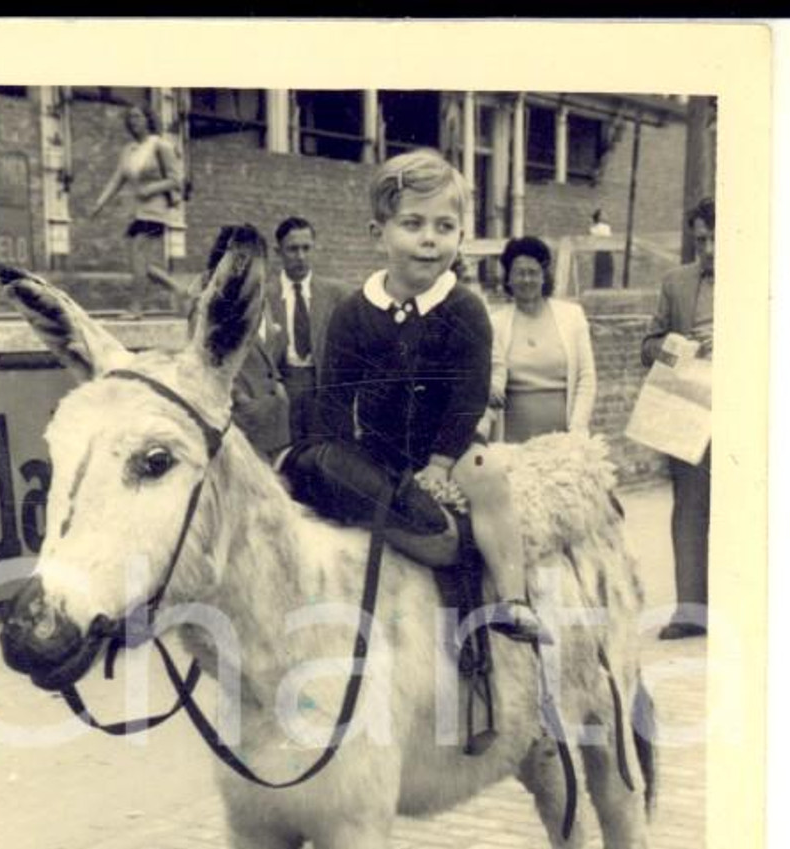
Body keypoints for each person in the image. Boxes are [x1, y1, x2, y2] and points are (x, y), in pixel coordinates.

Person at [282, 148, 547, 645]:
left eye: (445, 227)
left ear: (460, 237)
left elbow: (469, 393)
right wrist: (337, 455)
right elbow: (336, 396)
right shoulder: (354, 313)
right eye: (413, 224)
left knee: (489, 479)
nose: (429, 239)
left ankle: (513, 597)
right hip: (377, 448)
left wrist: (442, 463)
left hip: (448, 443)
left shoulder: (463, 309)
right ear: (378, 233)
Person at [641, 197, 714, 640]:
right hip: (688, 411)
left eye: (715, 240)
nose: (707, 249)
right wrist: (673, 346)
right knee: (689, 509)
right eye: (700, 240)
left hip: (747, 411)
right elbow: (647, 345)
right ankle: (691, 612)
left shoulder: (764, 276)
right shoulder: (676, 282)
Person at [155, 226, 291, 463]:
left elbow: (268, 347)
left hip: (274, 421)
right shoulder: (209, 307)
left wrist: (277, 387)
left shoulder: (257, 298)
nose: (252, 267)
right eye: (243, 259)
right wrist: (244, 402)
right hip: (243, 422)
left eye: (257, 258)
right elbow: (204, 362)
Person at [486, 235, 597, 445]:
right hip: (512, 445)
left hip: (565, 445)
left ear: (544, 276)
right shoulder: (496, 323)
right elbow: (493, 375)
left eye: (533, 273)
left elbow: (586, 377)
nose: (526, 280)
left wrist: (577, 432)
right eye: (519, 273)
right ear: (508, 279)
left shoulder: (572, 316)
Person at [88, 103, 184, 316]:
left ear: (149, 120)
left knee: (139, 258)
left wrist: (151, 188)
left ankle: (136, 308)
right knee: (139, 263)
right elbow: (117, 179)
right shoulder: (129, 150)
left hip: (156, 211)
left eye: (138, 117)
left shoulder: (161, 146)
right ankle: (178, 289)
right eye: (131, 118)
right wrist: (99, 204)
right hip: (139, 211)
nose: (134, 121)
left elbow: (176, 180)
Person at [265, 217, 350, 448]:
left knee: (321, 453)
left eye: (306, 248)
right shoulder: (263, 296)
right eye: (293, 249)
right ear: (278, 251)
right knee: (285, 453)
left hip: (321, 384)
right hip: (283, 386)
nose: (301, 256)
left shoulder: (338, 294)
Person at [590, 208, 615, 289]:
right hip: (606, 253)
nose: (607, 215)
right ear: (600, 217)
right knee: (607, 274)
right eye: (604, 214)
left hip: (598, 254)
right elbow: (609, 239)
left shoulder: (593, 228)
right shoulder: (605, 227)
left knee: (599, 275)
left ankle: (598, 289)